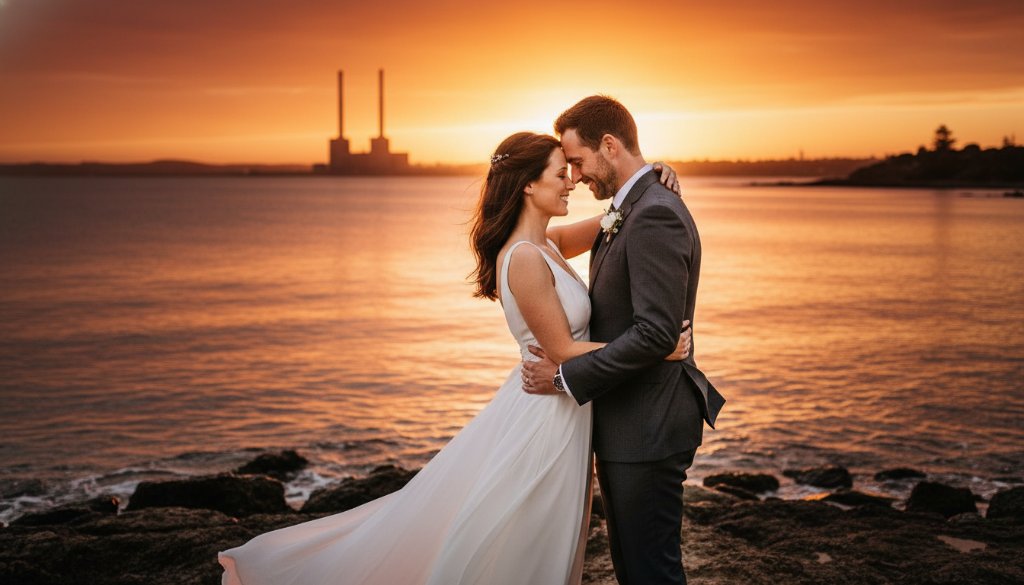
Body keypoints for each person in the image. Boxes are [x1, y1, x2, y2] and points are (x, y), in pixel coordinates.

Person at [217, 132, 689, 585]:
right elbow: (564, 352)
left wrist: (650, 174)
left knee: (536, 534)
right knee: (526, 538)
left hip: (565, 406)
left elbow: (618, 217)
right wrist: (657, 348)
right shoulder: (524, 257)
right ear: (528, 184)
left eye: (571, 170)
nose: (571, 181)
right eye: (559, 173)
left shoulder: (547, 244)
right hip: (546, 417)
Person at [522, 96, 726, 585]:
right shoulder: (628, 208)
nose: (575, 176)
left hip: (648, 425)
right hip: (628, 422)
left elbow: (657, 332)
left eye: (578, 161)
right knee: (635, 568)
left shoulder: (653, 213)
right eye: (565, 168)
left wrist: (563, 377)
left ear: (609, 146)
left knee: (649, 571)